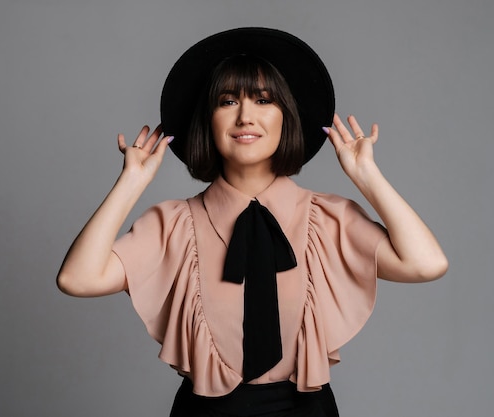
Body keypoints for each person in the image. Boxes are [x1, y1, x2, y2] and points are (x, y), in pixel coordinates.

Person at [57, 28, 448, 417]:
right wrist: (131, 183)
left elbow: (425, 263)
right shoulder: (173, 224)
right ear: (208, 120)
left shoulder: (329, 218)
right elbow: (78, 279)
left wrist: (366, 176)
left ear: (285, 116)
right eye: (228, 101)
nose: (245, 116)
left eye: (263, 100)